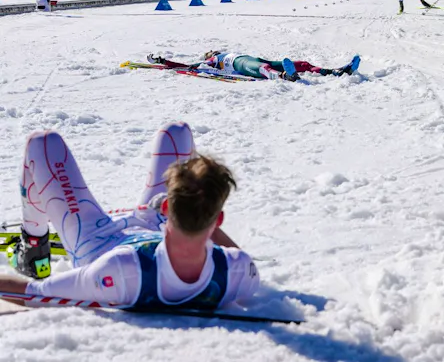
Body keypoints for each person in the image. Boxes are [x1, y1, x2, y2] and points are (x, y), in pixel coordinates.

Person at [3, 123, 259, 312]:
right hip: (154, 225)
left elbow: (33, 294)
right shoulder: (237, 271)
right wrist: (200, 213)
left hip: (96, 240)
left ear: (168, 207)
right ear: (219, 221)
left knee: (43, 142)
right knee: (177, 131)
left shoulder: (121, 270)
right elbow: (238, 257)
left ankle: (33, 250)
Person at [148, 52, 360, 80]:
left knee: (303, 63)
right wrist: (163, 62)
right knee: (261, 68)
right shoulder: (209, 61)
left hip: (254, 60)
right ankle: (284, 76)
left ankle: (335, 71)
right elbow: (183, 66)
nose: (212, 51)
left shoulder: (223, 52)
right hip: (240, 65)